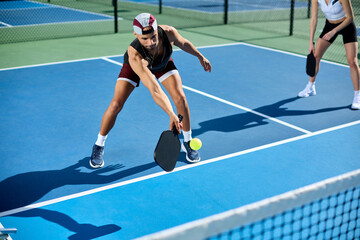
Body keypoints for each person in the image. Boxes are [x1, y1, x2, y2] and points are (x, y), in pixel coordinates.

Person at [89, 13, 212, 168]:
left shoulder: (168, 32)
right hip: (137, 67)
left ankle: (187, 141)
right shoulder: (135, 55)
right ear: (136, 35)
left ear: (157, 29)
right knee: (116, 105)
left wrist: (200, 56)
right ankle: (99, 145)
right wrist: (171, 114)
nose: (151, 42)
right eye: (144, 39)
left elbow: (183, 42)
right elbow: (154, 89)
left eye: (153, 36)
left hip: (162, 62)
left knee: (181, 98)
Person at [298, 0, 360, 110]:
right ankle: (311, 87)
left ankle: (357, 95)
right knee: (316, 55)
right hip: (330, 25)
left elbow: (350, 17)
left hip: (347, 25)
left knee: (352, 62)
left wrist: (334, 31)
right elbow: (313, 19)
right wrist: (311, 42)